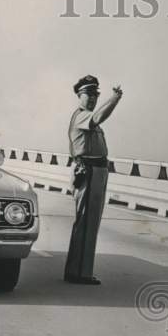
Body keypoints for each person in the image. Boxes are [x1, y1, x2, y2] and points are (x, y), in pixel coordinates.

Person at [64, 75, 123, 284]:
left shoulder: (88, 116)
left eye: (95, 95)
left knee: (90, 223)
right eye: (88, 94)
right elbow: (98, 117)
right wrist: (114, 99)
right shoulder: (81, 116)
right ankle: (78, 273)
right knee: (85, 223)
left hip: (96, 171)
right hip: (87, 171)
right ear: (79, 95)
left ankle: (81, 271)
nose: (92, 98)